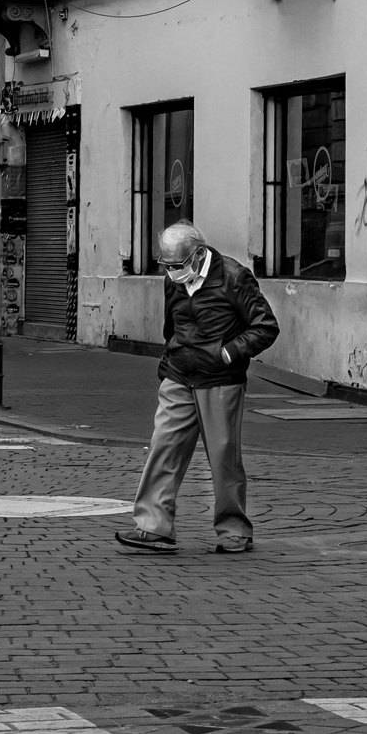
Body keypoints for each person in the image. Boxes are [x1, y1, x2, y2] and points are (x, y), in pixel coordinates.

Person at [115, 221, 279, 556]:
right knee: (164, 447)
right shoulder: (173, 280)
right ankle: (153, 527)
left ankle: (234, 530)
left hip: (219, 379)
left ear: (199, 254)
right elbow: (171, 325)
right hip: (179, 373)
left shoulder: (234, 277)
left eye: (178, 265)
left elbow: (265, 326)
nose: (172, 272)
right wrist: (171, 357)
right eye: (166, 265)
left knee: (223, 457)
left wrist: (228, 353)